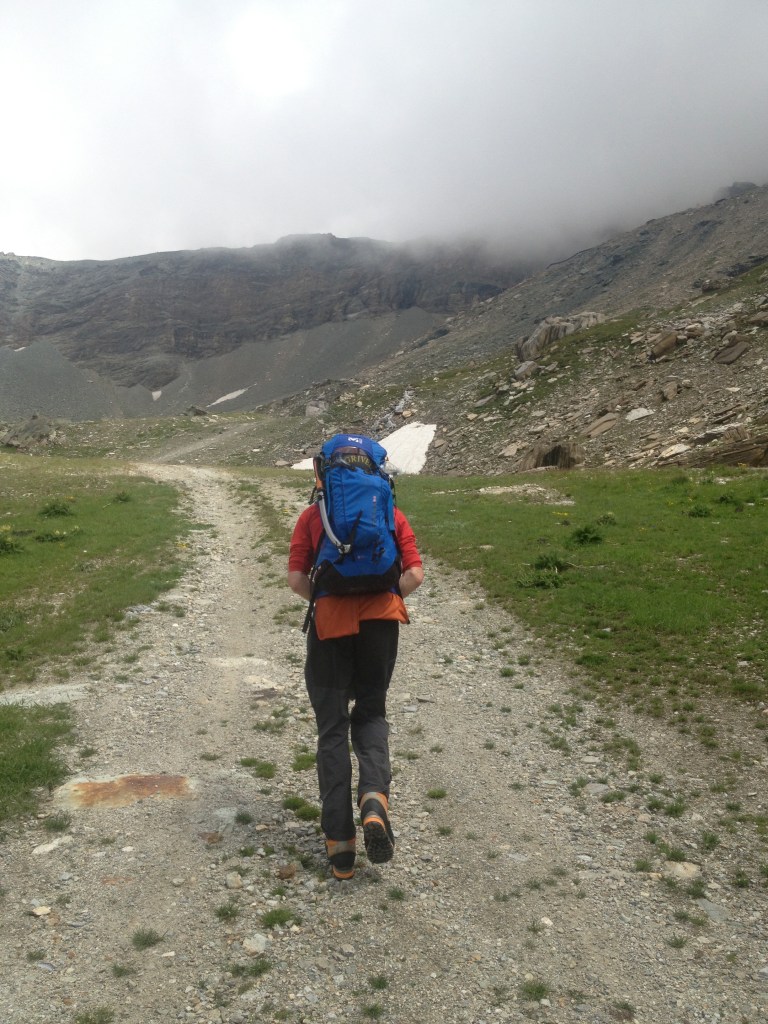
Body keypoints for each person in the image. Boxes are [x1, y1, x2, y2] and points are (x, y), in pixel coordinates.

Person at [287, 437, 424, 881]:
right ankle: (373, 801)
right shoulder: (390, 512)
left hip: (330, 625)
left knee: (331, 728)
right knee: (371, 712)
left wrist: (325, 598)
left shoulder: (313, 517)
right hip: (382, 622)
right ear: (376, 473)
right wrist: (385, 598)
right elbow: (415, 574)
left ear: (322, 473)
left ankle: (340, 847)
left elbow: (295, 580)